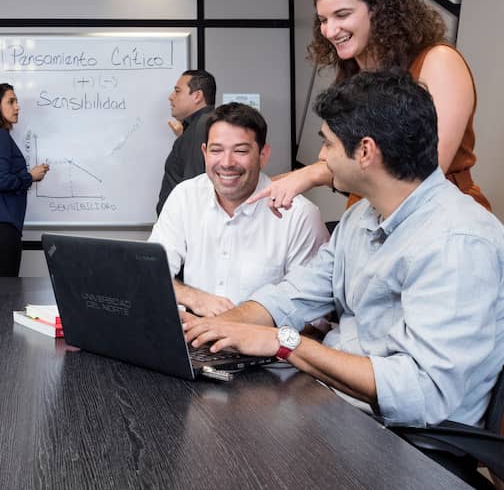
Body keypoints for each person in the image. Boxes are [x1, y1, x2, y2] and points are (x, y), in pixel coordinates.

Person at [183, 71, 504, 434]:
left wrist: (285, 343)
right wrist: (211, 328)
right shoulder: (361, 217)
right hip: (337, 406)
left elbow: (422, 395)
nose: (321, 158)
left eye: (328, 145)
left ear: (365, 151)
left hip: (403, 440)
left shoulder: (456, 242)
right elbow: (292, 295)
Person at [253, 0, 490, 215]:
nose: (331, 31)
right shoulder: (355, 70)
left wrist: (311, 174)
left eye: (342, 15)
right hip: (369, 214)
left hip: (438, 217)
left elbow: (421, 173)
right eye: (323, 20)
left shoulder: (439, 61)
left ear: (378, 9)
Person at [149, 103, 328, 316]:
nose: (227, 162)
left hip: (264, 343)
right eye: (216, 150)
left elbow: (314, 317)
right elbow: (151, 274)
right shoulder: (185, 196)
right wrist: (192, 297)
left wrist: (241, 325)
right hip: (195, 334)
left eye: (241, 151)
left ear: (263, 155)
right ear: (205, 153)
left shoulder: (299, 215)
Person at [0, 83, 49, 277]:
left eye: (17, 101)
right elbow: (2, 181)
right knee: (5, 295)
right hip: (0, 227)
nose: (17, 107)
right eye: (11, 101)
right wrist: (30, 176)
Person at [156, 69, 216, 215]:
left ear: (197, 96)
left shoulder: (201, 128)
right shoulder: (197, 128)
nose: (171, 97)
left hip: (183, 231)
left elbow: (195, 188)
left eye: (177, 91)